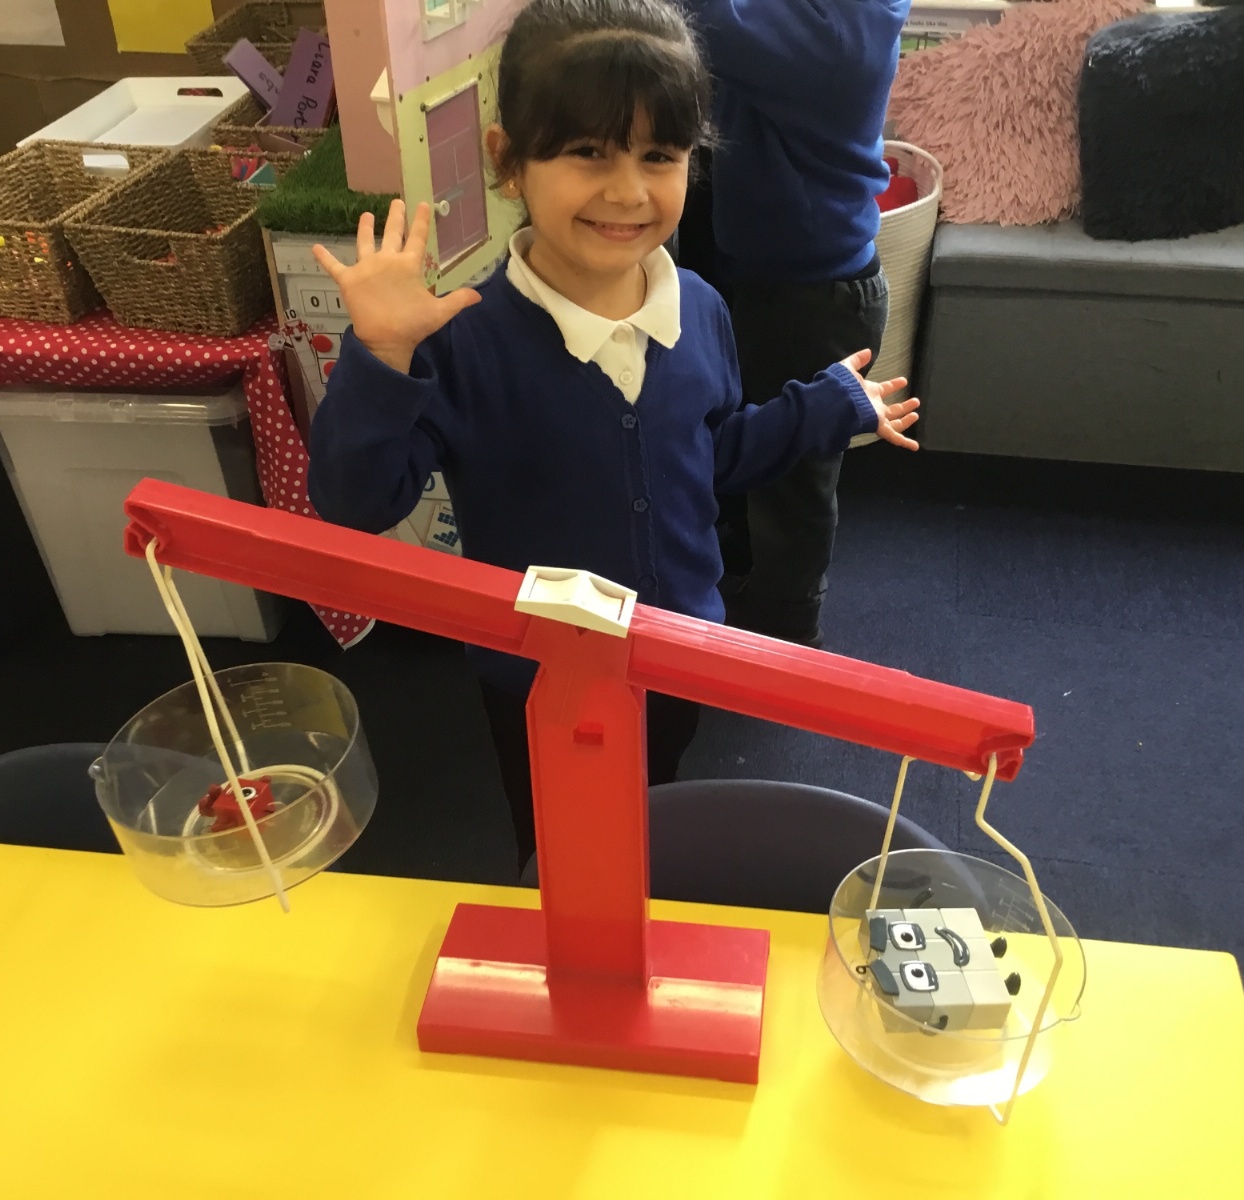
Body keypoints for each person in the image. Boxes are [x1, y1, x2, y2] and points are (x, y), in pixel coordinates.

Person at [306, 0, 920, 871]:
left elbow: (708, 460)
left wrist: (825, 407)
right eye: (589, 152)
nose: (628, 191)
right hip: (536, 680)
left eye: (659, 156)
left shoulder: (701, 308)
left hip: (676, 656)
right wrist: (380, 355)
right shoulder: (468, 340)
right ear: (508, 161)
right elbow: (354, 502)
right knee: (561, 854)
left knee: (656, 828)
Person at [684, 0, 913, 647]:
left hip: (812, 298)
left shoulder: (842, 22)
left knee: (794, 487)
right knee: (755, 441)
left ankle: (786, 633)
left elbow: (703, 18)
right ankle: (745, 576)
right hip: (774, 277)